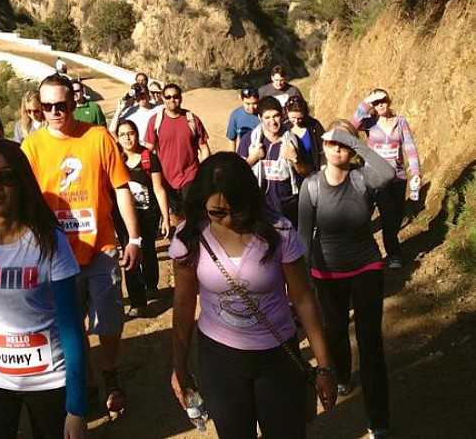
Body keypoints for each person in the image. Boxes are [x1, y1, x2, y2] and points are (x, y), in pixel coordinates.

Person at [170, 152, 337, 439]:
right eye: (218, 213)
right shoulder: (190, 236)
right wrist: (179, 366)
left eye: (238, 210)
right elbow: (184, 305)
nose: (230, 220)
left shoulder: (278, 230)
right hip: (220, 361)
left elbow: (303, 298)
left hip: (278, 359)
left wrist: (325, 366)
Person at [21, 74, 142, 420]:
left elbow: (121, 187)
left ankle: (110, 374)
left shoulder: (99, 137)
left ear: (74, 103)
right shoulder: (31, 146)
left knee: (109, 322)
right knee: (70, 328)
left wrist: (133, 237)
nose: (55, 112)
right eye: (47, 107)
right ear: (38, 109)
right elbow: (25, 202)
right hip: (56, 257)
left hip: (101, 249)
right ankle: (85, 384)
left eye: (61, 105)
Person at [0, 139, 86, 439]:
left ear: (21, 184)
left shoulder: (49, 240)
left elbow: (71, 325)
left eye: (7, 177)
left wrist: (77, 405)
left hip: (49, 379)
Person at [297, 120, 396, 439]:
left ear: (351, 147)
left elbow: (388, 173)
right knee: (335, 332)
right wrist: (303, 280)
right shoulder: (311, 185)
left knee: (370, 344)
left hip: (366, 267)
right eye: (330, 142)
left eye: (343, 143)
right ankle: (341, 374)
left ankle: (379, 421)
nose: (336, 148)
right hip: (326, 272)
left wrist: (357, 144)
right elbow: (302, 235)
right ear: (323, 146)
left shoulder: (361, 178)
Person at [351, 89, 421, 270]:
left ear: (389, 102)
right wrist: (366, 101)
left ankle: (389, 242)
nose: (380, 104)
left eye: (383, 100)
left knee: (398, 214)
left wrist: (415, 172)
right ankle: (394, 253)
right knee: (388, 214)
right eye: (376, 102)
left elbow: (410, 147)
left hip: (398, 176)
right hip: (377, 178)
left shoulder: (401, 122)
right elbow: (353, 123)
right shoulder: (369, 123)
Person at [115, 119, 171, 316]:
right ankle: (138, 301)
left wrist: (166, 216)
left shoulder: (149, 159)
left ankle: (151, 284)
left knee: (147, 251)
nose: (128, 138)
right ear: (117, 138)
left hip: (148, 215)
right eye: (123, 134)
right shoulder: (115, 160)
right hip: (123, 219)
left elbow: (158, 188)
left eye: (131, 133)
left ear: (137, 134)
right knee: (130, 256)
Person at [238, 96, 312, 228]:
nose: (272, 121)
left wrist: (295, 159)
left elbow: (307, 173)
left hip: (287, 207)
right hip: (258, 207)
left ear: (283, 115)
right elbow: (236, 173)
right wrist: (252, 158)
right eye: (267, 117)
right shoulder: (249, 140)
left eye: (276, 116)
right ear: (260, 118)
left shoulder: (293, 140)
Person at [144, 83, 211, 219]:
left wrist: (205, 171)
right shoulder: (155, 121)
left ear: (180, 98)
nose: (171, 100)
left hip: (190, 174)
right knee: (176, 216)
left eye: (175, 97)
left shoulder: (192, 120)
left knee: (192, 213)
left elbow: (204, 147)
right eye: (168, 97)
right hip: (166, 178)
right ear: (162, 98)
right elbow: (148, 149)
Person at [285, 95, 325, 174]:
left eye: (300, 118)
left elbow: (323, 150)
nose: (296, 121)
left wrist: (323, 170)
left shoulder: (314, 126)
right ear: (287, 111)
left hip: (314, 173)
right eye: (293, 117)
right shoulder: (283, 128)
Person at [226, 86, 260, 152]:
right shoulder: (235, 115)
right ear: (241, 100)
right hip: (244, 153)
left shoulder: (264, 114)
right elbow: (232, 139)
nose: (251, 107)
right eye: (247, 103)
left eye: (254, 103)